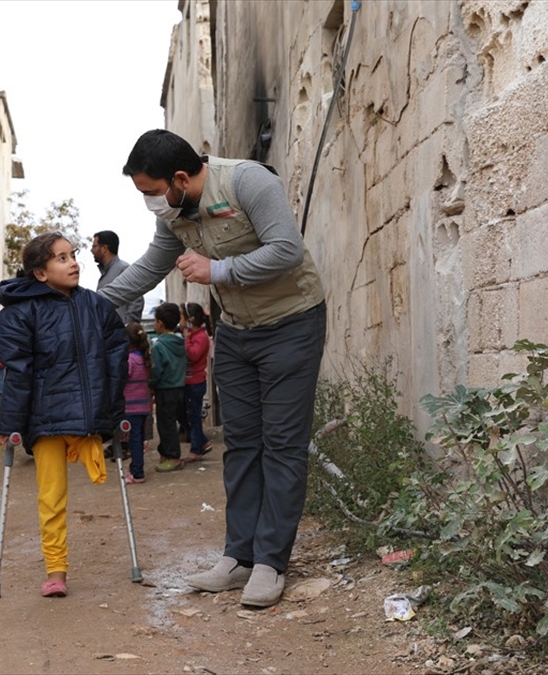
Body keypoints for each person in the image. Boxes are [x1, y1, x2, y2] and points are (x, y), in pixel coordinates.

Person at [97, 129, 327, 609]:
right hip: (239, 332)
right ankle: (238, 557)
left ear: (180, 178)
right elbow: (146, 270)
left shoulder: (247, 182)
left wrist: (218, 271)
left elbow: (285, 248)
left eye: (151, 192)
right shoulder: (175, 215)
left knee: (282, 444)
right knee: (241, 442)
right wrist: (82, 305)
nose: (149, 203)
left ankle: (270, 563)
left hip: (291, 324)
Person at [0, 232, 127, 598]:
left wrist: (115, 413)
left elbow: (116, 361)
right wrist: (10, 424)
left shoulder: (97, 306)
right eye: (62, 258)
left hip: (88, 415)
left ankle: (57, 567)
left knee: (93, 476)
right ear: (39, 273)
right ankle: (56, 569)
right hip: (46, 416)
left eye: (73, 255)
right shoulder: (19, 313)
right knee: (51, 495)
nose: (73, 263)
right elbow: (16, 372)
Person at [148, 303, 186, 472]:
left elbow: (156, 370)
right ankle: (167, 453)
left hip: (165, 389)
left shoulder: (159, 346)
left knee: (165, 425)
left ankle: (173, 456)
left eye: (155, 321)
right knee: (171, 422)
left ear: (161, 323)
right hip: (180, 387)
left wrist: (150, 384)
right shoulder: (180, 341)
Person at [122, 321, 153, 484]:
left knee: (134, 439)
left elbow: (123, 377)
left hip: (131, 407)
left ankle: (137, 472)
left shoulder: (130, 360)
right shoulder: (144, 358)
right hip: (143, 406)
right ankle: (137, 468)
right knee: (138, 438)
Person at [92, 230, 144, 325]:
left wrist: (127, 326)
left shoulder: (123, 269)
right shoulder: (105, 275)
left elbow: (137, 300)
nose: (92, 250)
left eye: (94, 246)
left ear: (104, 249)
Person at [182, 302, 212, 461]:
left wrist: (186, 340)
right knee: (190, 416)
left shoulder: (200, 337)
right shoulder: (194, 335)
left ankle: (196, 450)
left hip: (196, 382)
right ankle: (203, 442)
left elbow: (193, 355)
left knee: (194, 417)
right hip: (190, 382)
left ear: (190, 320)